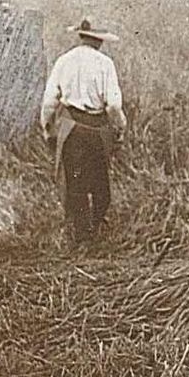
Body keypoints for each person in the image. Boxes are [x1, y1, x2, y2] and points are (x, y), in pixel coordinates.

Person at [40, 18, 128, 246]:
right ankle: (96, 227)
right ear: (100, 40)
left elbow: (49, 102)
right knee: (100, 180)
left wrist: (47, 129)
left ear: (80, 36)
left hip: (72, 129)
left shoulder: (64, 61)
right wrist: (120, 127)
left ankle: (81, 234)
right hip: (97, 130)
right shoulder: (105, 64)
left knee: (75, 181)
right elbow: (113, 106)